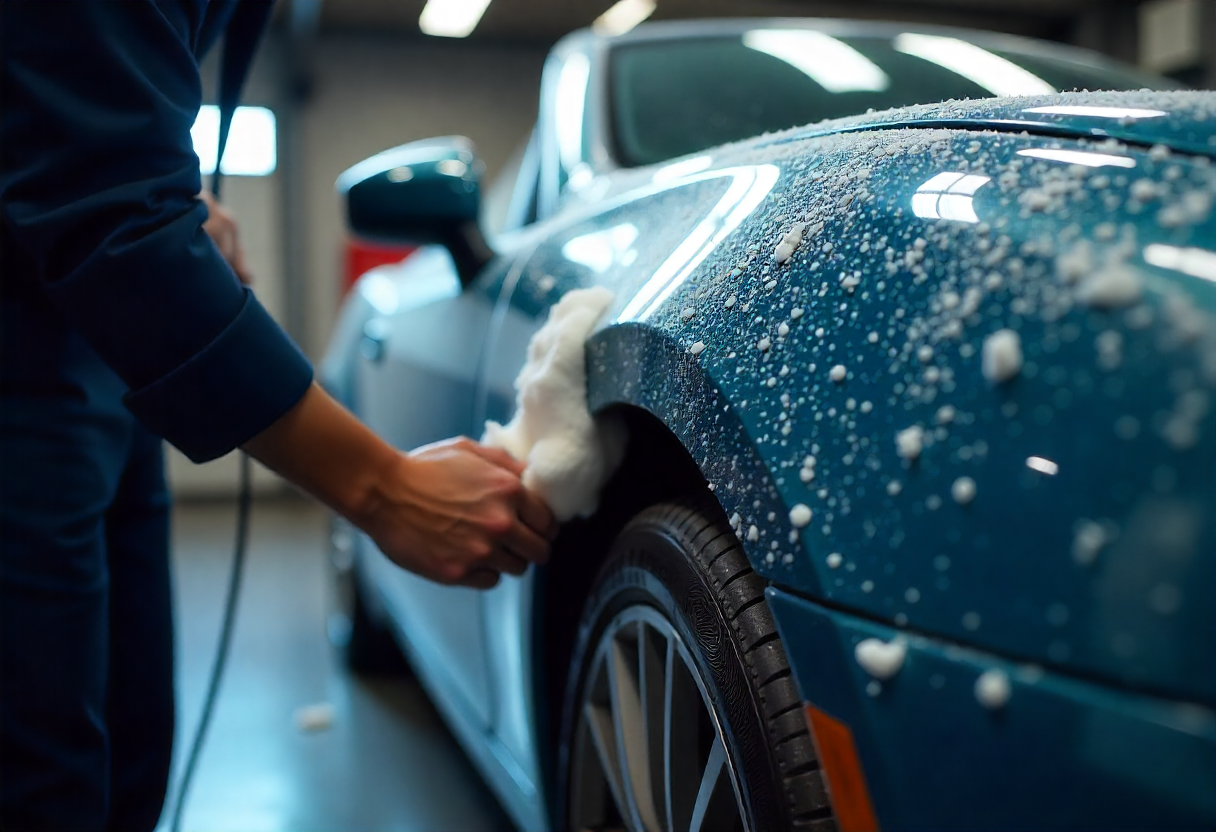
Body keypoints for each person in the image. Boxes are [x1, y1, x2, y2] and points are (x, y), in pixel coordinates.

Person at [0, 2, 556, 828]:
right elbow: (109, 209)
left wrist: (176, 191)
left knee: (131, 729)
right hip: (22, 350)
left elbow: (91, 116)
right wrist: (381, 488)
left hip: (96, 349)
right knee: (41, 769)